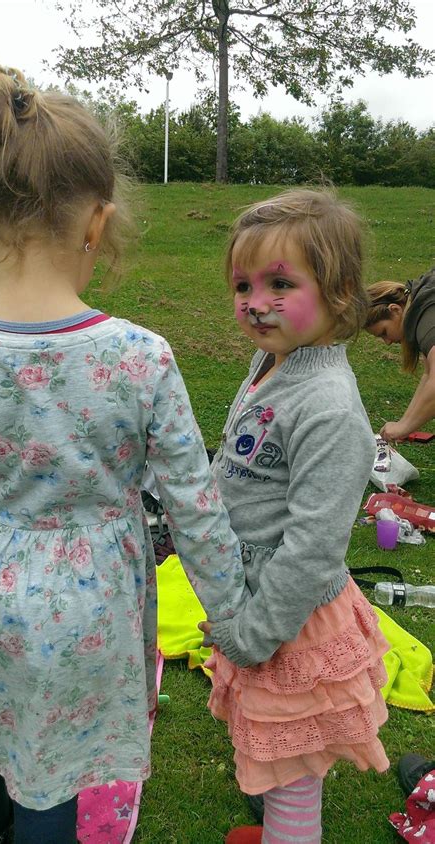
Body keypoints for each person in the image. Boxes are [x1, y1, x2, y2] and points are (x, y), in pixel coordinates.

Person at [0, 64, 249, 844]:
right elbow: (195, 506)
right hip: (91, 614)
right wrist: (236, 626)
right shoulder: (141, 357)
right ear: (98, 224)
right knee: (53, 783)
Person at [198, 189, 390, 844]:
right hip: (260, 598)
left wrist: (255, 632)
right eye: (243, 284)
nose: (255, 301)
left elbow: (313, 547)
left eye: (280, 283)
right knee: (277, 757)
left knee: (290, 768)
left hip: (290, 617)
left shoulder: (330, 408)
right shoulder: (273, 364)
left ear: (338, 294)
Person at [364, 269, 435, 442]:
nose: (387, 342)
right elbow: (428, 373)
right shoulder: (419, 299)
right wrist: (405, 423)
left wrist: (404, 427)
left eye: (384, 332)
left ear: (395, 310)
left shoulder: (427, 322)